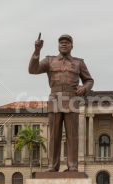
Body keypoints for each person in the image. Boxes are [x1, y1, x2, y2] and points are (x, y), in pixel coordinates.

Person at [28, 34, 94, 172]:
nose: (64, 44)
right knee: (54, 135)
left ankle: (73, 166)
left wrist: (84, 88)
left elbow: (89, 80)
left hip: (72, 99)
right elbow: (33, 70)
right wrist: (37, 51)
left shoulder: (78, 63)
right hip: (55, 99)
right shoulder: (49, 60)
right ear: (58, 45)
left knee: (72, 135)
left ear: (72, 46)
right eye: (61, 42)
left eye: (67, 42)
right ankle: (52, 165)